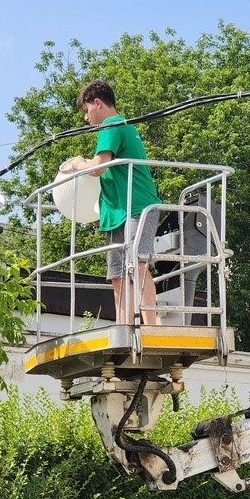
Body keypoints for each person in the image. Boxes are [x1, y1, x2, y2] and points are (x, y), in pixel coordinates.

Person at [70, 79, 162, 325]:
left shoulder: (111, 125)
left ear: (97, 103)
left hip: (136, 208)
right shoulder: (124, 127)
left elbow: (98, 167)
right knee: (118, 276)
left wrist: (78, 164)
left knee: (138, 264)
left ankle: (151, 327)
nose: (86, 119)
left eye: (86, 111)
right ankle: (124, 328)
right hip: (117, 212)